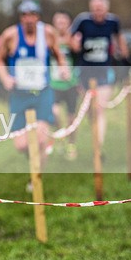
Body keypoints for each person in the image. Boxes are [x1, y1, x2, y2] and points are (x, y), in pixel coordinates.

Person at [0, 0, 68, 172]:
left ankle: (36, 180)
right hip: (19, 94)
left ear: (38, 16)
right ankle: (37, 158)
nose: (28, 19)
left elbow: (59, 55)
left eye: (32, 15)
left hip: (42, 92)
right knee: (21, 145)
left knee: (39, 140)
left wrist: (63, 69)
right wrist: (5, 78)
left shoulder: (48, 33)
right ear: (20, 18)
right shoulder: (10, 35)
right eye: (25, 15)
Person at [70, 0, 128, 149]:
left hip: (104, 71)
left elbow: (120, 38)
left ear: (106, 9)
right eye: (95, 9)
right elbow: (70, 38)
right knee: (90, 110)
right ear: (91, 9)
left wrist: (125, 56)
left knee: (99, 109)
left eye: (101, 9)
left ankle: (98, 146)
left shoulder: (113, 22)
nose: (98, 12)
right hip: (85, 72)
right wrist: (74, 45)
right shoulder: (82, 21)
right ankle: (96, 137)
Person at [49, 10, 80, 160]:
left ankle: (71, 144)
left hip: (71, 84)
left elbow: (77, 51)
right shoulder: (49, 40)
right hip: (54, 84)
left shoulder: (72, 39)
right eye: (58, 22)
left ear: (68, 24)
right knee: (54, 113)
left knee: (71, 118)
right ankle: (60, 137)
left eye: (64, 22)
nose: (61, 25)